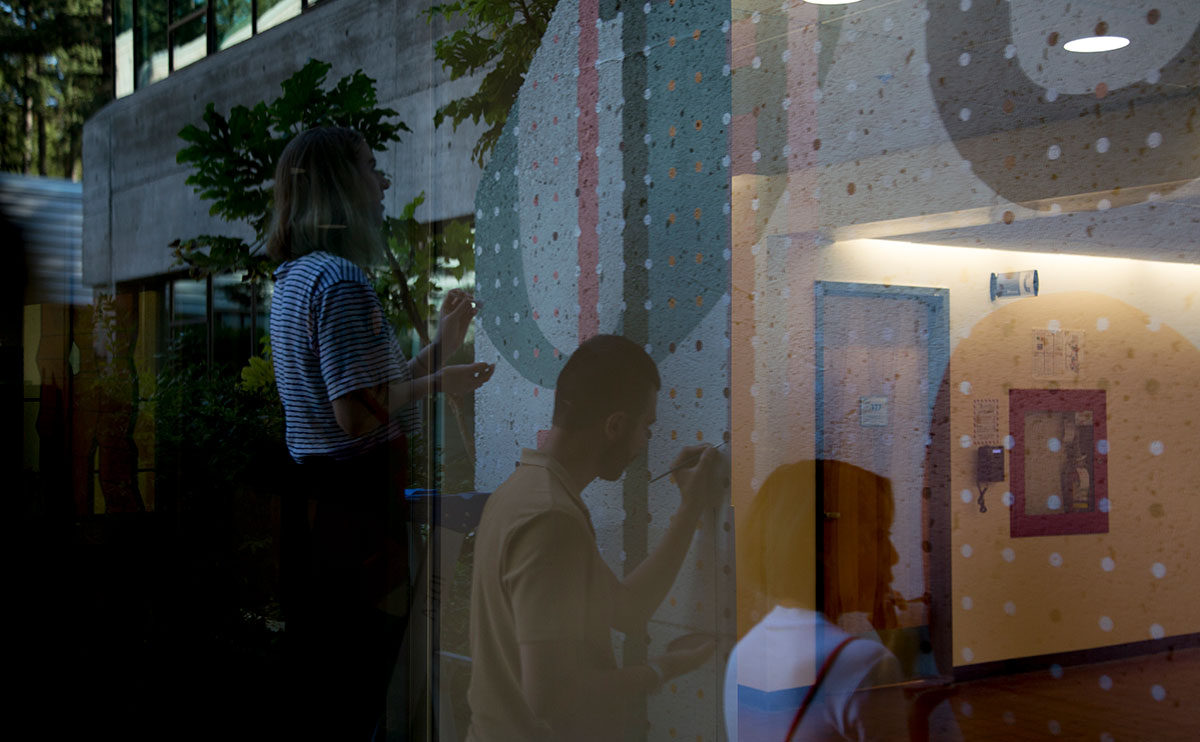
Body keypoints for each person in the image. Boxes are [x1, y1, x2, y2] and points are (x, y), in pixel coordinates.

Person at [265, 126, 495, 738]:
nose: (383, 181)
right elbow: (358, 415)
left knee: (334, 691)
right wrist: (439, 381)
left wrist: (438, 351)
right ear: (344, 185)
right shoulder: (340, 282)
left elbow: (360, 395)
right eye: (371, 167)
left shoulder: (293, 280)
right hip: (357, 526)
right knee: (365, 692)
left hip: (321, 521)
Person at [466, 334, 729, 742]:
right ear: (615, 426)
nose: (645, 443)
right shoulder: (552, 518)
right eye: (647, 428)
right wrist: (660, 670)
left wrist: (690, 506)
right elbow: (549, 696)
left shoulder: (522, 490)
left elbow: (627, 610)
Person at [725, 460, 909, 742]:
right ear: (826, 544)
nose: (893, 556)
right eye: (878, 534)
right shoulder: (864, 663)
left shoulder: (742, 652)